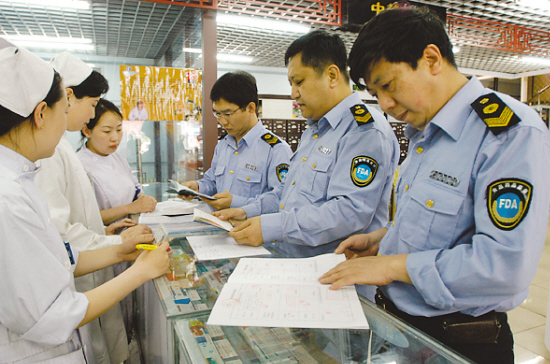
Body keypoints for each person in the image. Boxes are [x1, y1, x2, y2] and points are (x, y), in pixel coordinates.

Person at [319, 7, 550, 364]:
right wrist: (382, 241)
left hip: (460, 343)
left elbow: (503, 268)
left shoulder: (508, 133)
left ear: (431, 59)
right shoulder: (425, 133)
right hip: (404, 332)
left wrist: (391, 266)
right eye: (374, 92)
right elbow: (437, 223)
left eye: (388, 85)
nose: (385, 104)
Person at [0, 39, 169, 363]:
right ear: (40, 114)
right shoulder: (8, 199)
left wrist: (117, 248)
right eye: (63, 110)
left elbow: (54, 253)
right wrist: (139, 271)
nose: (69, 123)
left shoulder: (21, 177)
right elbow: (50, 315)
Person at [213, 31, 399, 261]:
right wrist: (246, 211)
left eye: (299, 82)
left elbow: (349, 212)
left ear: (332, 75)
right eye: (291, 84)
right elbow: (285, 192)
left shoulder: (364, 130)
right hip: (292, 262)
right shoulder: (314, 131)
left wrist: (273, 227)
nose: (293, 94)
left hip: (333, 276)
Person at [34, 52, 153, 364]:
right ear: (68, 97)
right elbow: (60, 239)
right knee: (98, 347)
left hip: (96, 261)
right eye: (92, 104)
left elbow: (75, 219)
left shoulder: (60, 145)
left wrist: (105, 232)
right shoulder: (48, 150)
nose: (92, 113)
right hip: (77, 283)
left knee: (112, 341)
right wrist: (116, 243)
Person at [179, 71, 292, 210]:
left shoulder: (276, 150)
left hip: (250, 229)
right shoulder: (223, 146)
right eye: (217, 114)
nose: (222, 121)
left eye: (228, 113)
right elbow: (213, 182)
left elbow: (281, 200)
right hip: (217, 225)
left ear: (251, 108)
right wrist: (197, 187)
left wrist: (236, 203)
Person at [78, 98, 157, 226]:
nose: (115, 138)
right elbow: (86, 218)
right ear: (87, 131)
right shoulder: (80, 166)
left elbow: (136, 188)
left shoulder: (116, 157)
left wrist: (143, 200)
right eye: (107, 131)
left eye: (119, 130)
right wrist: (130, 208)